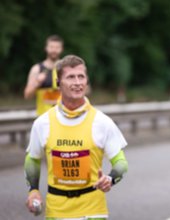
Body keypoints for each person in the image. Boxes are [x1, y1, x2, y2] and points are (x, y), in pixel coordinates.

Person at [24, 55, 129, 219]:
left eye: (81, 77)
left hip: (93, 210)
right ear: (59, 82)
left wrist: (111, 178)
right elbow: (33, 159)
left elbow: (121, 163)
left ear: (87, 81)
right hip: (56, 211)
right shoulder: (42, 123)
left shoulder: (102, 122)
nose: (77, 82)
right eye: (71, 77)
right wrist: (34, 190)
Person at [24, 35, 64, 116]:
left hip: (64, 117)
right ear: (46, 48)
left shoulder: (67, 69)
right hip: (43, 119)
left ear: (62, 49)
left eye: (57, 47)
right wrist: (37, 83)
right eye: (51, 47)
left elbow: (85, 91)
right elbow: (27, 96)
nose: (54, 50)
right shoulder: (37, 69)